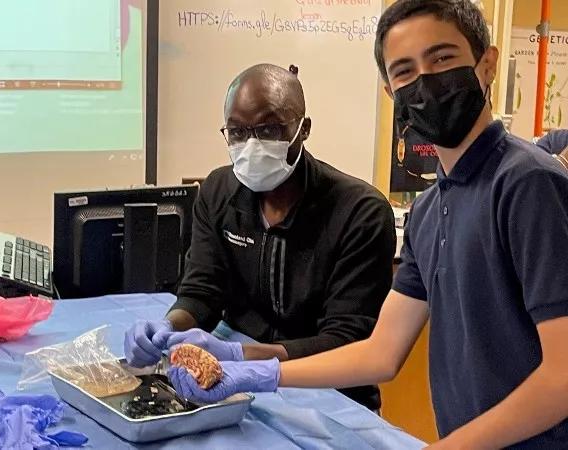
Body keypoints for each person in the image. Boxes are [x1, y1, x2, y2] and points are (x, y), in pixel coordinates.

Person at [167, 1, 568, 448]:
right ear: (389, 90)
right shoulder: (432, 207)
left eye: (442, 58)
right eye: (404, 71)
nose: (426, 83)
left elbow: (562, 377)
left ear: (487, 64)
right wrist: (256, 370)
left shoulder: (529, 184)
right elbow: (381, 353)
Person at [124, 63, 396, 411]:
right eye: (237, 132)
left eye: (269, 129)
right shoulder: (219, 192)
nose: (252, 144)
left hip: (330, 396)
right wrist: (167, 325)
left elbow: (346, 341)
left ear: (303, 129)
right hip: (233, 385)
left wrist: (243, 357)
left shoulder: (359, 212)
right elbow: (202, 291)